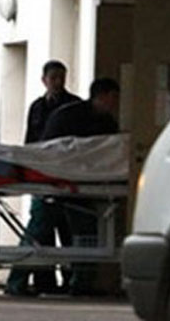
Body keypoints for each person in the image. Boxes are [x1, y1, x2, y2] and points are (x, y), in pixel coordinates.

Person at [6, 60, 81, 296]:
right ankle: (44, 281)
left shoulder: (74, 107)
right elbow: (30, 139)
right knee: (43, 233)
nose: (57, 82)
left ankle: (70, 280)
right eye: (53, 78)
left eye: (61, 77)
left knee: (66, 230)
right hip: (41, 173)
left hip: (64, 173)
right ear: (44, 80)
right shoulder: (37, 107)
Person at [42, 78, 120, 295]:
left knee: (83, 234)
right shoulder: (68, 116)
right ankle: (19, 282)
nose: (115, 103)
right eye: (113, 98)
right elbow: (50, 149)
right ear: (102, 96)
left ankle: (81, 283)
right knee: (41, 230)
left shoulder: (106, 122)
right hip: (54, 180)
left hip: (83, 183)